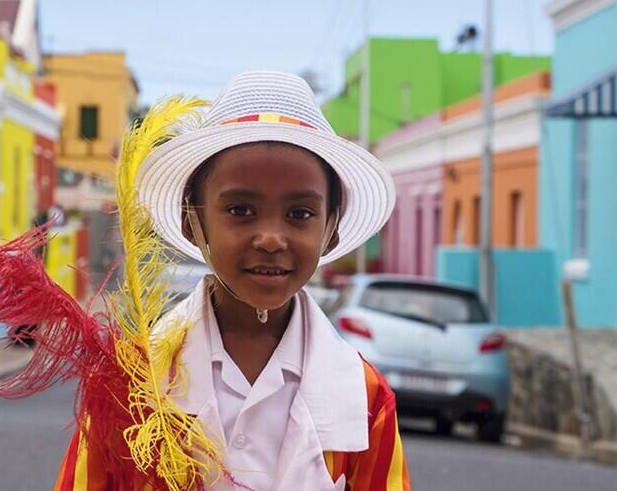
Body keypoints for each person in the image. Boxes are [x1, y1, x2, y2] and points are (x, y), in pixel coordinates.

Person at [54, 72, 408, 490]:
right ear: (193, 222)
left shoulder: (364, 398)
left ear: (331, 229)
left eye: (300, 213)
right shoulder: (130, 382)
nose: (272, 238)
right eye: (241, 210)